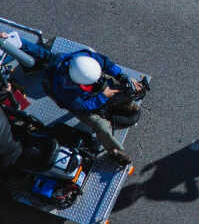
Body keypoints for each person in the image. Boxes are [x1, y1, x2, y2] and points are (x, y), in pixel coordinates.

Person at [0, 32, 142, 166]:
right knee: (102, 127)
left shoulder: (86, 60)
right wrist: (102, 97)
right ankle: (115, 152)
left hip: (87, 83)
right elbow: (82, 106)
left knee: (126, 88)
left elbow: (106, 63)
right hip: (81, 104)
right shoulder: (63, 87)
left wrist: (122, 77)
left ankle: (126, 105)